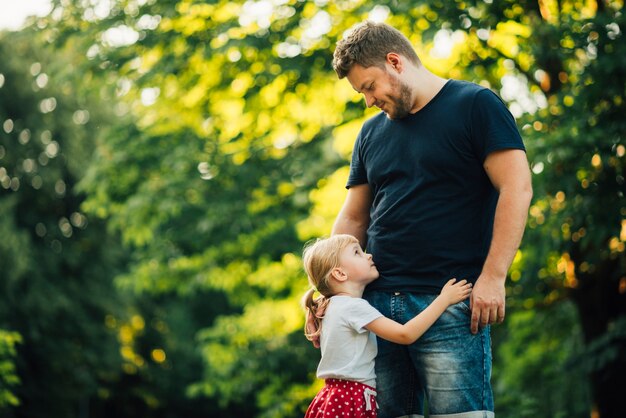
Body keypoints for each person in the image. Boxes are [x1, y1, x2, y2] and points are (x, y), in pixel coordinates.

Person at [330, 21, 533, 418]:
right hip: (375, 308)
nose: (369, 101)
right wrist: (329, 289)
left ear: (395, 61)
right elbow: (353, 218)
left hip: (450, 303)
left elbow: (517, 189)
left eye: (369, 86)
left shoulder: (476, 105)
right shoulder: (371, 133)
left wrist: (493, 277)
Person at [301, 234, 473, 418]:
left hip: (334, 397)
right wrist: (444, 299)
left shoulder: (332, 305)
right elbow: (405, 334)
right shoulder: (353, 307)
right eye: (357, 252)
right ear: (340, 274)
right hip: (351, 398)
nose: (369, 255)